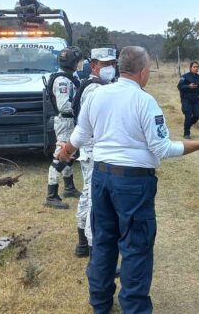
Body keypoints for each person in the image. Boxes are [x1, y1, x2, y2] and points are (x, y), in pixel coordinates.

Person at [58, 46, 199, 314]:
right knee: (136, 247)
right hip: (133, 184)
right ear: (142, 72)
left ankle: (100, 304)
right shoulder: (144, 101)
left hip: (101, 177)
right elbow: (162, 148)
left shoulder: (97, 95)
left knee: (103, 242)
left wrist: (65, 151)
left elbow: (80, 136)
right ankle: (134, 307)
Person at [72, 47, 118, 257]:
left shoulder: (92, 85)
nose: (110, 68)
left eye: (113, 64)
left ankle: (82, 243)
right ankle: (95, 251)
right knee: (95, 201)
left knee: (87, 194)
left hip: (89, 148)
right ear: (93, 65)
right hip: (93, 148)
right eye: (105, 64)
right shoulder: (96, 89)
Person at [44, 46, 83, 209]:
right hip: (65, 121)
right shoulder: (62, 81)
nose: (80, 64)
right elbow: (64, 106)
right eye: (78, 61)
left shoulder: (69, 77)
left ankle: (69, 187)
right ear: (72, 63)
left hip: (69, 121)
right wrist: (81, 108)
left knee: (70, 154)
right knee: (61, 156)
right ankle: (51, 195)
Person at [177, 61, 199, 138]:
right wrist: (188, 86)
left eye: (197, 67)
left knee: (198, 115)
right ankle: (186, 133)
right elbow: (179, 86)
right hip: (187, 100)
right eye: (194, 67)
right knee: (188, 116)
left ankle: (187, 125)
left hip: (196, 100)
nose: (196, 68)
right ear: (190, 68)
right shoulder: (185, 76)